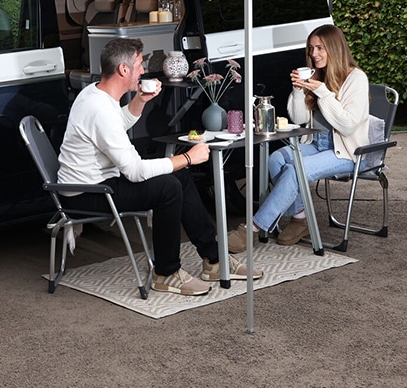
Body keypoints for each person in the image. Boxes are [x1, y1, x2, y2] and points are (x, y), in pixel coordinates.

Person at [58, 37, 261, 296]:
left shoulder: (94, 93)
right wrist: (188, 157)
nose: (143, 70)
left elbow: (115, 125)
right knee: (168, 187)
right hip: (87, 194)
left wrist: (140, 100)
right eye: (140, 64)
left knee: (180, 176)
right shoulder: (100, 109)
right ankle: (166, 273)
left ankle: (214, 260)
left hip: (94, 184)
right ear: (123, 70)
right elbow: (134, 171)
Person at [229, 24, 370, 251]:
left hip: (344, 151)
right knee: (276, 159)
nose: (314, 54)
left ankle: (252, 229)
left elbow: (348, 125)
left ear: (335, 48)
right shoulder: (317, 75)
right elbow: (298, 118)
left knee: (296, 169)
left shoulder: (356, 79)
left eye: (320, 48)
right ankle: (300, 218)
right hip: (315, 143)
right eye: (311, 48)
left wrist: (323, 92)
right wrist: (298, 90)